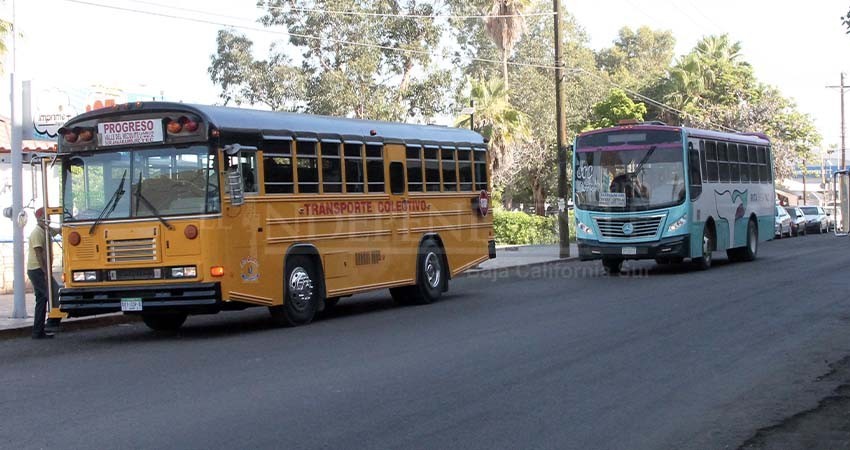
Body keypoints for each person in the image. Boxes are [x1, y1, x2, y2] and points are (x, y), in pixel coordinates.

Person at [27, 208, 60, 339]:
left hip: (39, 270)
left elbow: (58, 231)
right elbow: (38, 253)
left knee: (41, 299)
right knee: (53, 293)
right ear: (40, 218)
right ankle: (52, 322)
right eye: (46, 217)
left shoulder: (46, 230)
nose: (49, 220)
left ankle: (38, 331)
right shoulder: (37, 233)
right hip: (37, 270)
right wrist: (45, 271)